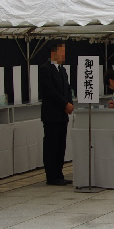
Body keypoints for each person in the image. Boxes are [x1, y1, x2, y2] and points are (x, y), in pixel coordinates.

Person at [39, 43, 74, 186]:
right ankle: (52, 176)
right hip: (52, 114)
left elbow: (67, 89)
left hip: (62, 115)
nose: (64, 55)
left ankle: (59, 174)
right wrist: (64, 104)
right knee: (51, 145)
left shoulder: (63, 70)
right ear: (54, 53)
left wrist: (70, 103)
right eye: (62, 51)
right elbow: (50, 92)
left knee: (61, 145)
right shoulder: (45, 69)